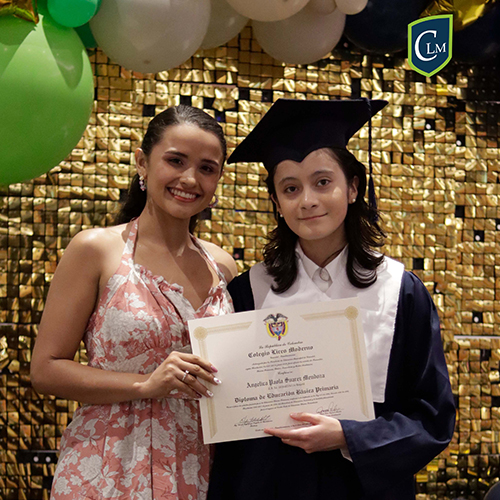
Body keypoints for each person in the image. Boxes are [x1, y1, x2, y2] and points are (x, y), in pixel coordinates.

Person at [208, 99, 456, 500]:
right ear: (276, 203)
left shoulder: (400, 291)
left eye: (322, 182)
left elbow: (432, 417)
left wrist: (348, 436)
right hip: (270, 486)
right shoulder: (247, 292)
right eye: (290, 188)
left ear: (353, 187)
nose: (307, 200)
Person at [30, 104, 237, 500]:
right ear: (142, 162)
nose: (190, 178)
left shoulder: (223, 266)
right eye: (175, 161)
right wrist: (145, 384)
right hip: (109, 467)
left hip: (198, 467)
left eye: (207, 168)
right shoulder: (97, 249)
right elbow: (45, 369)